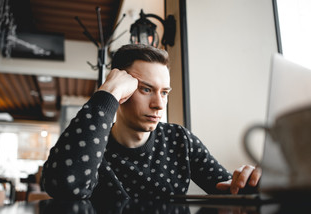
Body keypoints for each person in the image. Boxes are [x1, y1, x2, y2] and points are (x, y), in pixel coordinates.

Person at [41, 44, 262, 200]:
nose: (159, 104)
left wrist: (250, 183)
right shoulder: (93, 141)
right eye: (146, 89)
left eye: (164, 92)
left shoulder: (180, 140)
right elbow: (64, 187)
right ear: (122, 89)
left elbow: (228, 190)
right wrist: (108, 93)